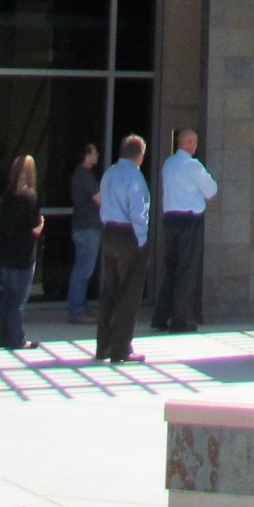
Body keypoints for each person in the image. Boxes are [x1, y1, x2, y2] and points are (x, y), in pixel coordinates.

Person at [93, 133, 152, 364]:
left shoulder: (109, 173)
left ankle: (103, 346)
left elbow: (103, 204)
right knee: (129, 294)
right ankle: (121, 349)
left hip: (108, 232)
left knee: (110, 290)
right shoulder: (134, 177)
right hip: (128, 235)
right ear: (140, 155)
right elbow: (138, 211)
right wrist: (142, 240)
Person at [153, 127, 220, 331]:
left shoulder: (168, 164)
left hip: (170, 218)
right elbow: (212, 190)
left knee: (171, 269)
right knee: (187, 270)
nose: (196, 146)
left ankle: (160, 317)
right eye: (195, 142)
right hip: (189, 220)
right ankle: (180, 320)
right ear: (189, 143)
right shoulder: (193, 165)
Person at [0, 153, 45, 351]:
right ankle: (17, 339)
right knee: (18, 300)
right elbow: (35, 227)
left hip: (6, 254)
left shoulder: (7, 194)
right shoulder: (29, 196)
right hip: (23, 255)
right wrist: (42, 224)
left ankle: (4, 338)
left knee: (6, 297)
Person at [66, 141, 102, 323]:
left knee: (83, 267)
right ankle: (76, 310)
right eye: (94, 152)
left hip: (83, 227)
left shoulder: (81, 175)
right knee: (83, 269)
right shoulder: (84, 175)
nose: (97, 155)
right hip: (87, 228)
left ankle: (79, 306)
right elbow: (99, 199)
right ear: (86, 155)